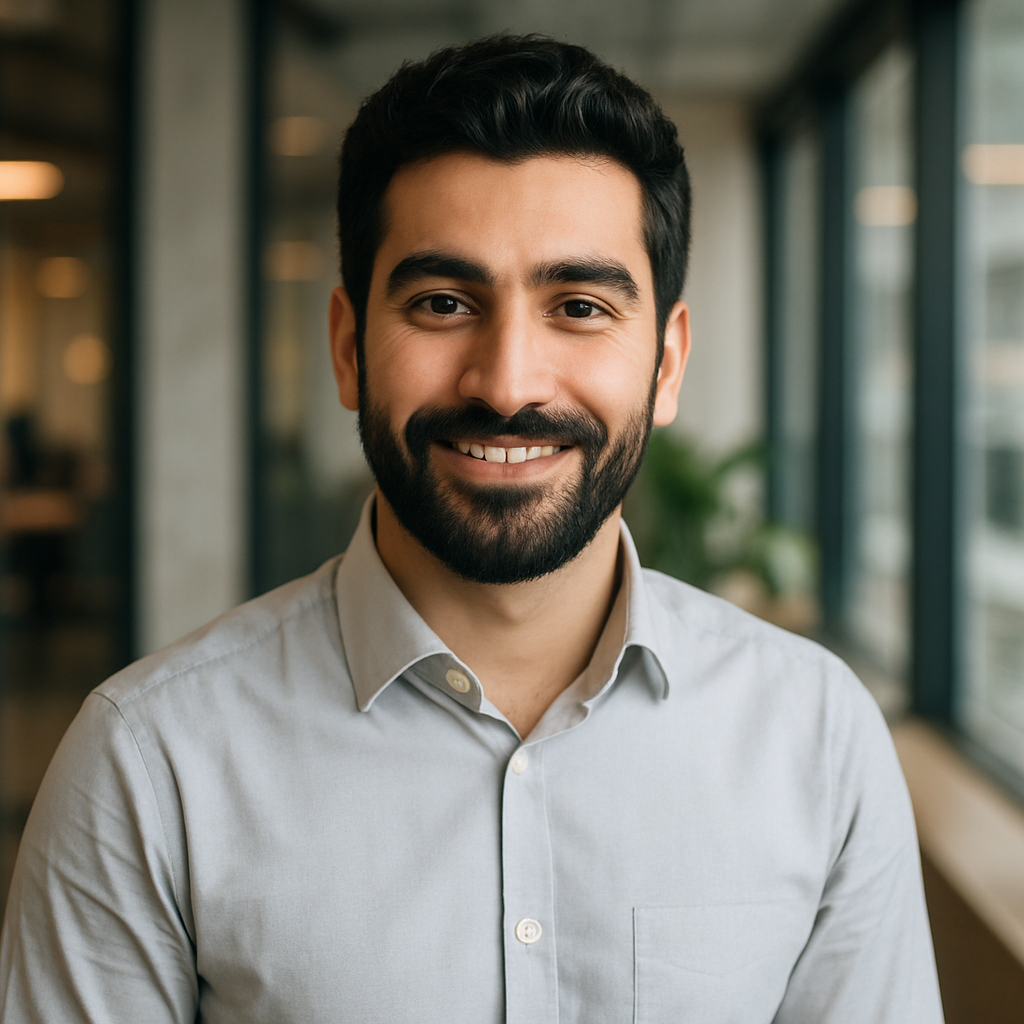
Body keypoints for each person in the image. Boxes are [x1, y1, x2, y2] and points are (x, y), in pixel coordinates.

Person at [0, 34, 943, 1024]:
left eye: (578, 306)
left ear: (665, 365)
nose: (506, 382)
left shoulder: (816, 738)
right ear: (349, 347)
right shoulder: (150, 762)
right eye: (443, 302)